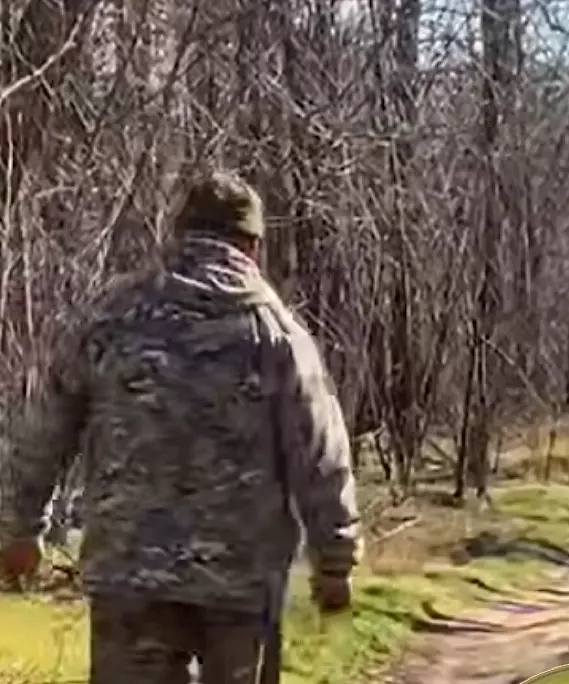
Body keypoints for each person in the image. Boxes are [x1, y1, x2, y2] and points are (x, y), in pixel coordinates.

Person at [0, 170, 360, 684]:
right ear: (253, 246)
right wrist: (335, 561)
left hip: (130, 576)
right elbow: (320, 455)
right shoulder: (276, 335)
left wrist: (20, 528)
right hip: (239, 585)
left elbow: (46, 426)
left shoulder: (111, 315)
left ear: (177, 233)